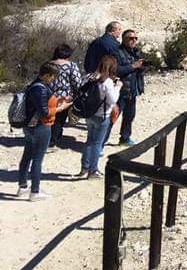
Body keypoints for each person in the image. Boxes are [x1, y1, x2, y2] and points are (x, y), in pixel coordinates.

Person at [17, 62, 70, 200]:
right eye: (52, 77)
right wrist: (60, 108)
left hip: (29, 126)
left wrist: (57, 100)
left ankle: (22, 187)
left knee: (27, 156)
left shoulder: (33, 85)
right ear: (46, 75)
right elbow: (45, 112)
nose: (53, 79)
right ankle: (35, 191)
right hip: (41, 127)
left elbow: (41, 104)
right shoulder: (40, 89)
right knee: (37, 159)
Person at [80, 55, 121, 179]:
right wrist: (118, 87)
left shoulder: (89, 77)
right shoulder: (107, 82)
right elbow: (112, 100)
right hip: (102, 115)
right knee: (98, 143)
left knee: (89, 141)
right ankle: (93, 170)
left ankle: (84, 168)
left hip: (89, 113)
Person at [113, 29, 145, 146]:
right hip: (121, 90)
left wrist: (142, 67)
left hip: (133, 89)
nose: (134, 40)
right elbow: (116, 70)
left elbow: (138, 69)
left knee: (130, 116)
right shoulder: (117, 53)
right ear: (124, 39)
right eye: (131, 38)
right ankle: (100, 141)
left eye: (136, 38)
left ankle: (125, 138)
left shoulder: (136, 52)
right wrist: (133, 66)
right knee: (113, 116)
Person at [49, 44, 82, 150]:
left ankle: (48, 138)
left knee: (48, 117)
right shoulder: (71, 66)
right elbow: (77, 82)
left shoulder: (48, 64)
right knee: (59, 120)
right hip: (64, 97)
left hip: (48, 95)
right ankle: (53, 141)